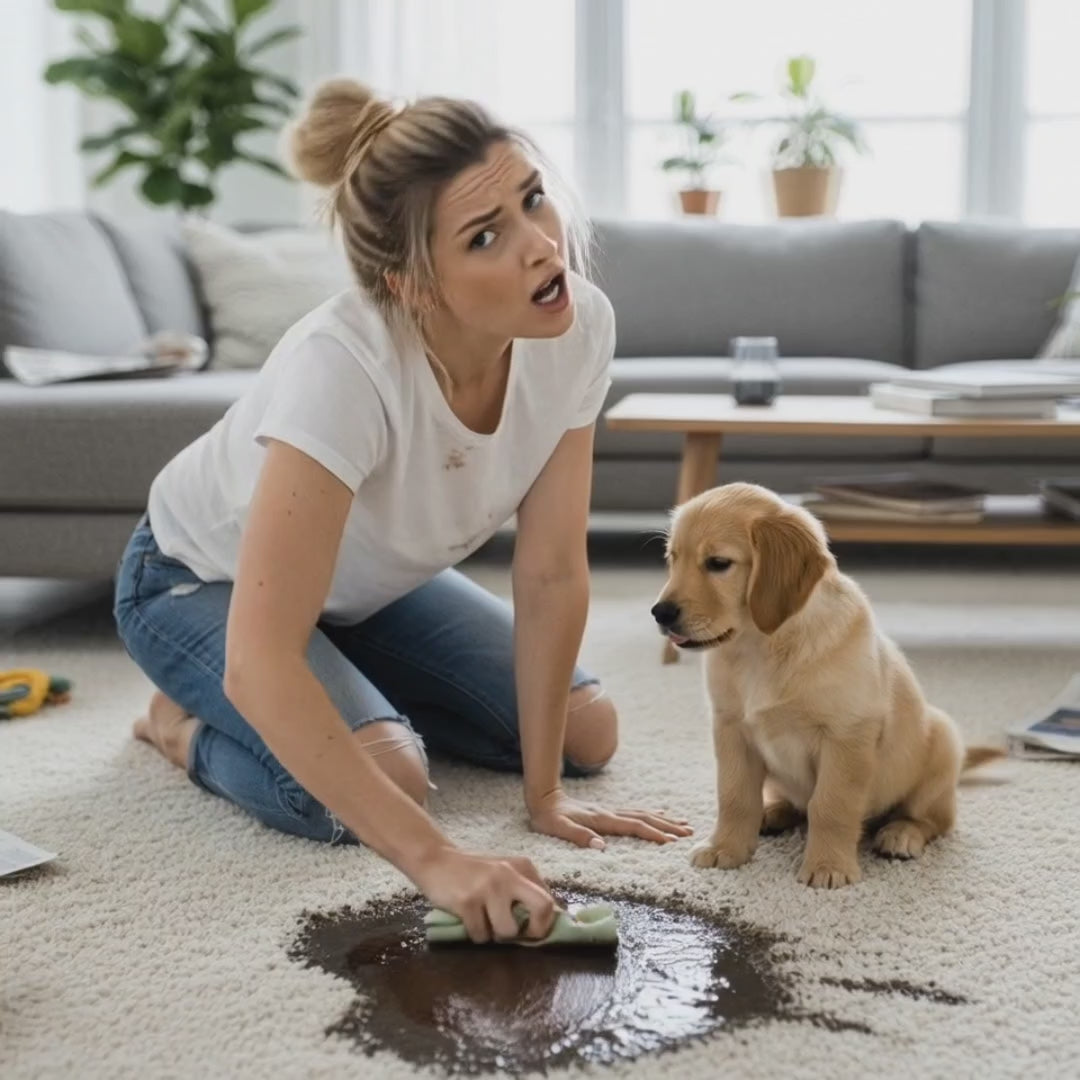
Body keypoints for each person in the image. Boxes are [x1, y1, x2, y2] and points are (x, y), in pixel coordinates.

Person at [113, 79, 691, 944]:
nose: (541, 247)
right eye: (486, 235)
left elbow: (550, 571)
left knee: (589, 732)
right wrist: (440, 863)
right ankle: (178, 727)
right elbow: (263, 658)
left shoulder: (576, 326)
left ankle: (352, 692)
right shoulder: (342, 367)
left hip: (364, 590)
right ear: (413, 285)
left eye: (532, 199)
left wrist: (544, 798)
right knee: (389, 781)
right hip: (195, 581)